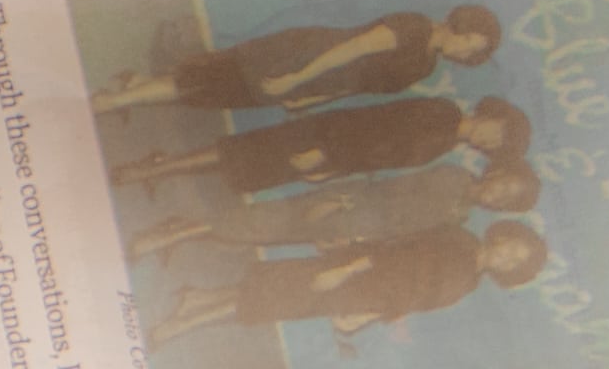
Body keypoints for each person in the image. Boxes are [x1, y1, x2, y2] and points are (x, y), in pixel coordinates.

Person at [156, 213, 550, 341]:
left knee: (273, 297)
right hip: (353, 271)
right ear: (503, 235)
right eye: (511, 247)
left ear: (508, 272)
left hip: (361, 298)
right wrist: (344, 268)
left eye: (513, 263)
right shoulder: (457, 235)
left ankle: (197, 299)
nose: (506, 257)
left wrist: (366, 317)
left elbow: (414, 300)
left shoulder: (468, 284)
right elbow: (396, 248)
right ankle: (184, 322)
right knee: (270, 293)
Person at [95, 1, 502, 116]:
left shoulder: (427, 66)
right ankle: (116, 100)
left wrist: (310, 98)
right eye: (471, 41)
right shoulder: (413, 27)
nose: (467, 51)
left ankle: (134, 89)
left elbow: (359, 84)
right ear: (461, 24)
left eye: (473, 52)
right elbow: (351, 49)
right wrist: (296, 78)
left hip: (317, 81)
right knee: (206, 79)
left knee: (210, 92)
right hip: (305, 56)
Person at [128, 151, 541, 259]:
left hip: (351, 227)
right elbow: (389, 190)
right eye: (503, 185)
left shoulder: (460, 217)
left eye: (505, 201)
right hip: (344, 204)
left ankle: (181, 231)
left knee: (268, 234)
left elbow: (396, 232)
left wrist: (352, 240)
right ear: (495, 173)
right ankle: (166, 235)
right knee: (262, 222)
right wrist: (337, 204)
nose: (497, 195)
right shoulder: (452, 177)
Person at [128, 91, 532, 199]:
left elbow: (379, 159)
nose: (488, 139)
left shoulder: (445, 145)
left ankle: (164, 166)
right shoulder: (442, 113)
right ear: (491, 114)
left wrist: (331, 169)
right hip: (327, 137)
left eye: (495, 145)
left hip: (334, 156)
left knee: (245, 168)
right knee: (240, 153)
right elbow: (375, 124)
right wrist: (327, 150)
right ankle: (152, 169)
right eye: (495, 130)